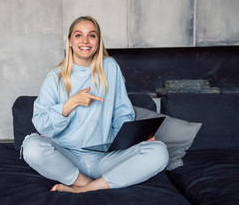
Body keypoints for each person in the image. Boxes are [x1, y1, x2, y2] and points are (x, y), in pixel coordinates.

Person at [22, 16, 168, 193]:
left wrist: (134, 138)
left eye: (92, 35)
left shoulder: (110, 67)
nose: (85, 41)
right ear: (69, 41)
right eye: (78, 35)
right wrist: (71, 103)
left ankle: (84, 188)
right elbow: (42, 126)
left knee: (159, 151)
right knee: (31, 146)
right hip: (67, 157)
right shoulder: (54, 77)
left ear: (98, 42)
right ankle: (84, 181)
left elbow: (122, 112)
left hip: (105, 158)